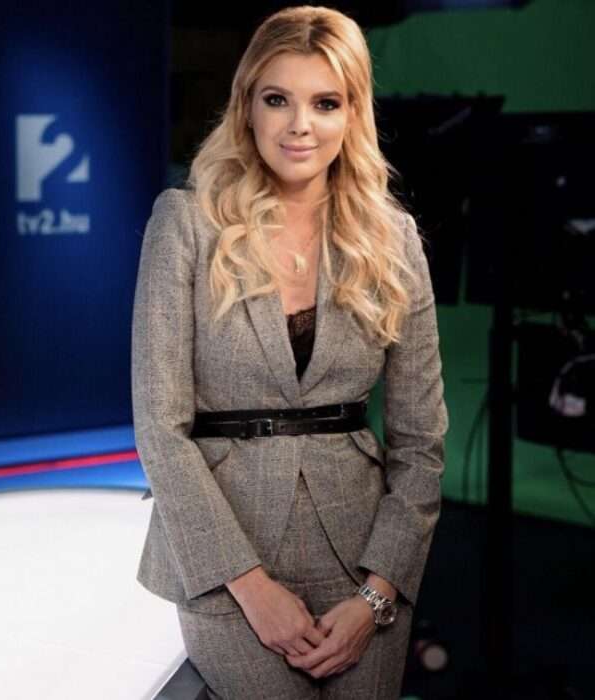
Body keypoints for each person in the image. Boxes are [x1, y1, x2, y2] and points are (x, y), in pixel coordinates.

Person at [131, 5, 448, 699]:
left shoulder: (393, 239)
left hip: (363, 561)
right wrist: (250, 586)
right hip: (225, 557)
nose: (300, 125)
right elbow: (160, 428)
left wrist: (377, 593)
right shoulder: (185, 224)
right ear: (247, 107)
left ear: (352, 113)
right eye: (278, 99)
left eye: (325, 103)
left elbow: (422, 443)